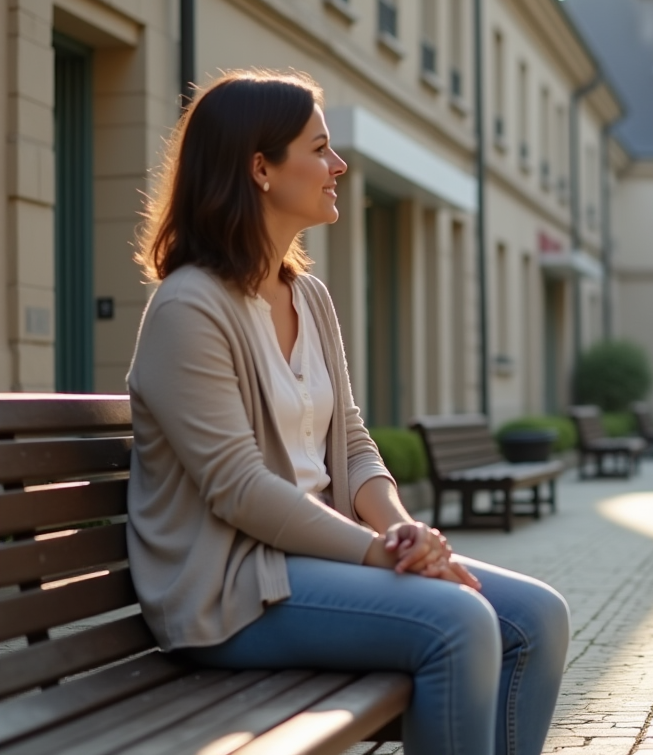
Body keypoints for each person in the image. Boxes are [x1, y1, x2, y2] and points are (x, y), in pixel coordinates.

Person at [126, 70, 569, 755]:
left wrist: (400, 530)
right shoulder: (189, 308)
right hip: (233, 591)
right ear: (261, 169)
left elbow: (353, 442)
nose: (339, 165)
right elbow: (238, 488)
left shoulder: (310, 297)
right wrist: (374, 554)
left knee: (538, 616)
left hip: (317, 565)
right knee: (459, 622)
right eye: (320, 148)